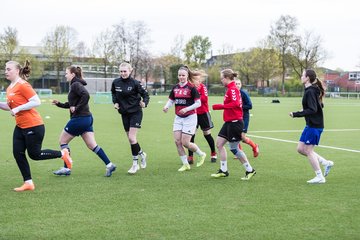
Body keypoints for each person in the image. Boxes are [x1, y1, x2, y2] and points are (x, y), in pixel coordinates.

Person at [0, 60, 72, 192]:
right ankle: (28, 183)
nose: (6, 71)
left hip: (34, 125)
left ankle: (63, 153)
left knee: (35, 155)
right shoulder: (10, 87)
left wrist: (17, 110)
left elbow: (36, 101)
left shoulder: (23, 85)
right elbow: (9, 106)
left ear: (17, 71)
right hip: (20, 126)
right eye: (5, 69)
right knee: (18, 153)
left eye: (9, 69)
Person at [52, 65, 116, 177]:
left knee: (63, 141)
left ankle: (66, 168)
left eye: (66, 73)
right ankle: (109, 165)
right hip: (87, 119)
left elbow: (86, 96)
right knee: (92, 145)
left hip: (79, 119)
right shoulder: (75, 84)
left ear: (72, 74)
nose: (65, 75)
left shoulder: (75, 84)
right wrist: (59, 104)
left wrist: (77, 108)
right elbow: (72, 104)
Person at [289, 69, 334, 184]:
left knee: (308, 151)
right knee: (300, 149)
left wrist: (296, 114)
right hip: (310, 125)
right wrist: (304, 110)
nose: (301, 77)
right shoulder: (311, 90)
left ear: (308, 78)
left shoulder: (310, 91)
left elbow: (313, 109)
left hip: (315, 125)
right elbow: (319, 105)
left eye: (303, 75)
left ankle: (320, 177)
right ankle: (325, 163)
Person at [211, 69, 256, 180]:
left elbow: (236, 104)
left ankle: (250, 170)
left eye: (222, 78)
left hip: (235, 122)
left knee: (234, 148)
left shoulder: (232, 89)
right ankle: (223, 170)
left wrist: (220, 106)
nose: (221, 80)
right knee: (219, 144)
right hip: (228, 122)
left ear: (226, 78)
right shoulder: (230, 89)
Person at [163, 65, 207, 171]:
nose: (181, 77)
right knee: (177, 141)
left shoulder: (192, 88)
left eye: (183, 75)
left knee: (185, 143)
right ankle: (185, 164)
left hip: (190, 117)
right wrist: (166, 106)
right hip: (178, 117)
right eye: (179, 75)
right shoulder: (175, 87)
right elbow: (171, 100)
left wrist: (187, 109)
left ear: (187, 76)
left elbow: (198, 103)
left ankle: (201, 154)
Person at [111, 62, 149, 174]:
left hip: (136, 112)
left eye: (125, 71)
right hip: (124, 114)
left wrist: (144, 103)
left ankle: (134, 164)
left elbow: (146, 95)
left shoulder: (135, 83)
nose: (123, 73)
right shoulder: (116, 82)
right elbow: (113, 94)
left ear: (130, 71)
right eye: (121, 71)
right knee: (131, 140)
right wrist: (115, 102)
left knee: (132, 138)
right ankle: (142, 154)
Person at [187, 70, 217, 164]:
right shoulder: (190, 88)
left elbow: (204, 99)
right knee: (191, 135)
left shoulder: (202, 87)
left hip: (203, 113)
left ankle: (213, 153)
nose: (197, 81)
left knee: (207, 134)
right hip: (193, 114)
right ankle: (190, 156)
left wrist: (196, 95)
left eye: (198, 80)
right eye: (195, 80)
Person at [234, 78, 259, 158]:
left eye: (239, 84)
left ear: (241, 85)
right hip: (235, 117)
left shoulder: (244, 93)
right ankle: (239, 152)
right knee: (235, 135)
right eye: (236, 84)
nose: (237, 85)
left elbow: (250, 105)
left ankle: (254, 146)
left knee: (242, 137)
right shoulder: (232, 94)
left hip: (244, 117)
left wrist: (239, 107)